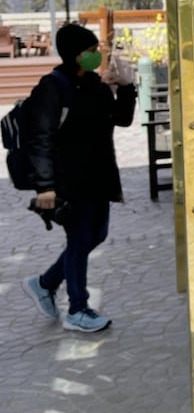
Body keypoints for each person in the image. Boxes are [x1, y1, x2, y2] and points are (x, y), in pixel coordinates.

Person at [20, 24, 137, 332]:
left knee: (95, 235)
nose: (95, 55)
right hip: (68, 181)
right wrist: (45, 187)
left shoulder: (95, 86)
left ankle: (45, 283)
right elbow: (39, 138)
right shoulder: (54, 86)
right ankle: (78, 309)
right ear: (74, 54)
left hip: (98, 176)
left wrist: (126, 86)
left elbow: (121, 119)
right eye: (89, 50)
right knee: (80, 238)